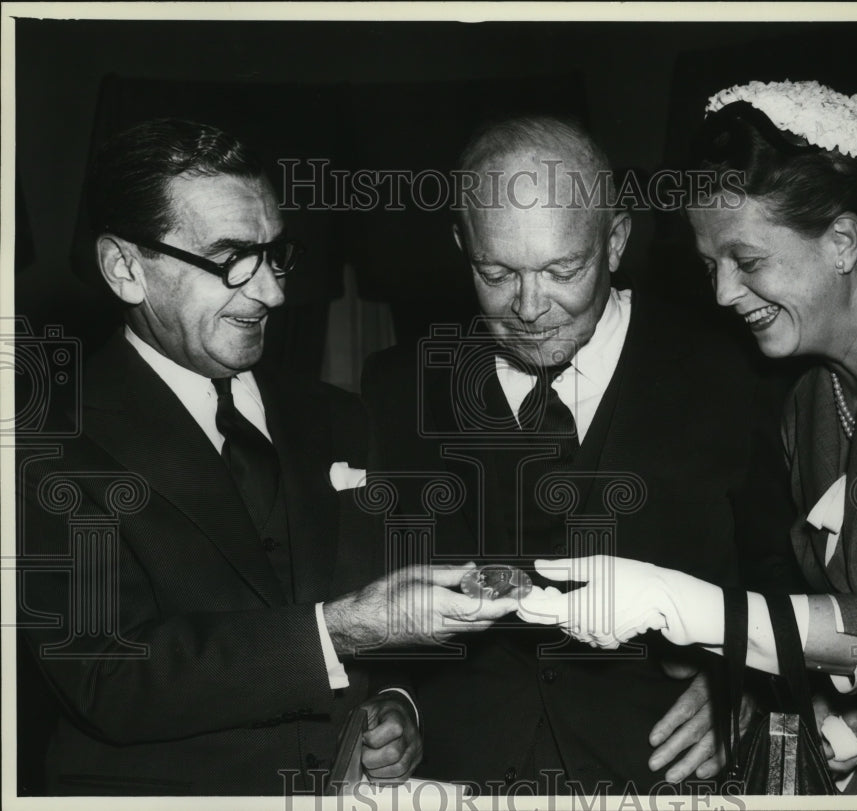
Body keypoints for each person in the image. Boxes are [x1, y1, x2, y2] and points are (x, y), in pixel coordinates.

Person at [15, 118, 517, 796]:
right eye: (231, 261)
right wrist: (336, 632)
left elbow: (386, 613)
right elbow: (109, 676)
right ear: (125, 268)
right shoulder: (46, 444)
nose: (273, 294)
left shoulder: (339, 416)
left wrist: (397, 700)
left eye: (275, 254)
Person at [525, 81, 857, 794]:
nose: (722, 294)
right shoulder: (808, 402)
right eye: (711, 267)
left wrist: (682, 605)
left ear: (841, 241)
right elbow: (818, 623)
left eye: (748, 260)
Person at [360, 115, 797, 794]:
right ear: (460, 245)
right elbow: (374, 591)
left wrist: (743, 683)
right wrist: (396, 700)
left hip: (667, 778)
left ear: (615, 240)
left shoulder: (730, 373)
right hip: (459, 781)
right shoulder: (396, 389)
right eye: (496, 272)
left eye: (563, 270)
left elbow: (784, 572)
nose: (530, 307)